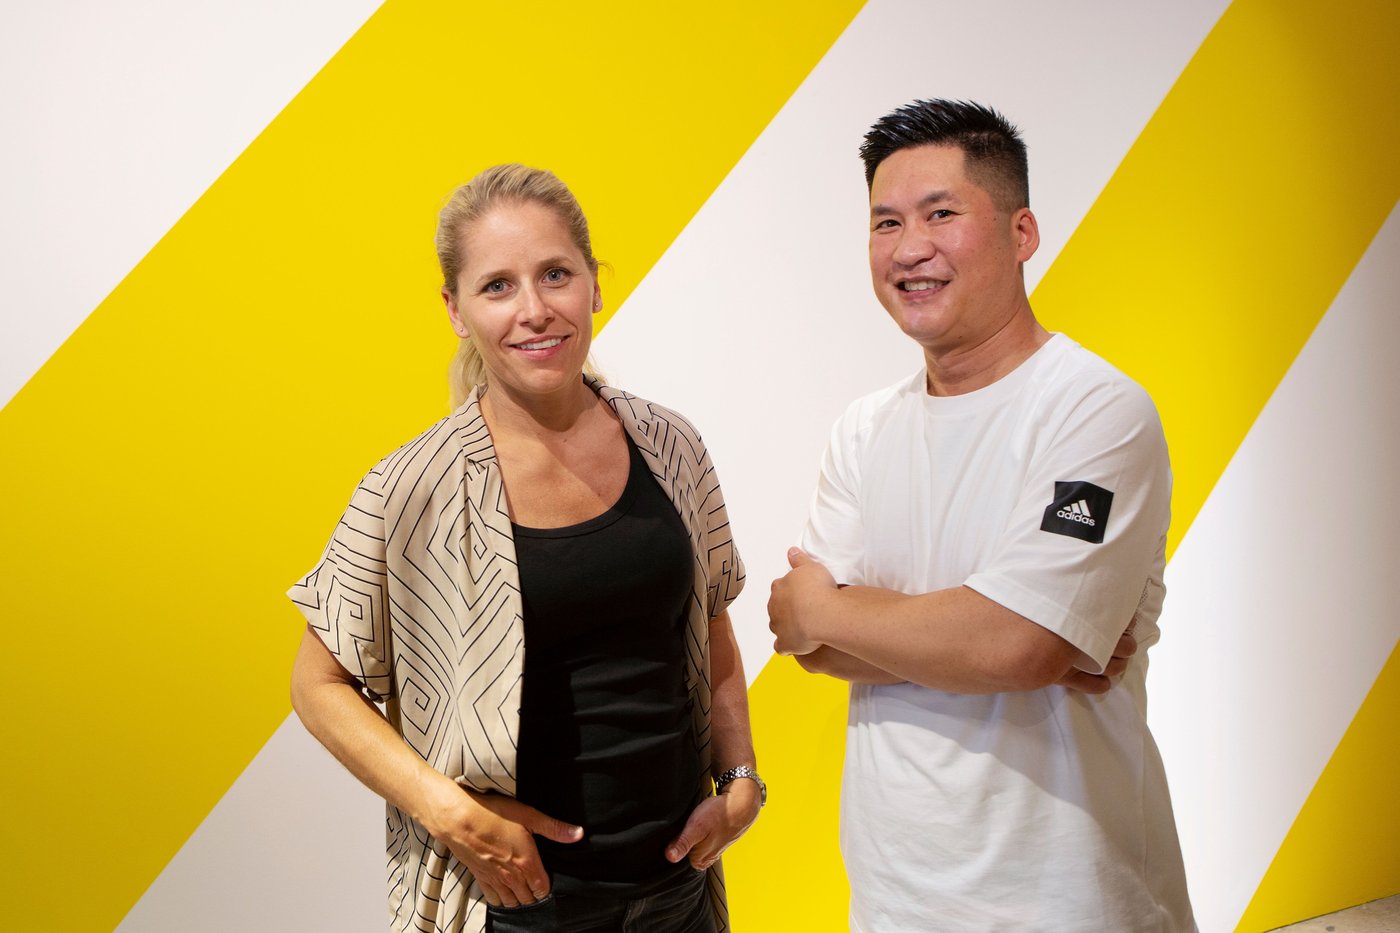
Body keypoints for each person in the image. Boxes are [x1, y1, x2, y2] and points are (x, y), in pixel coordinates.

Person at [289, 164, 763, 933]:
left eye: (555, 274)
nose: (535, 310)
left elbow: (711, 622)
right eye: (498, 286)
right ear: (455, 310)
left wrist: (740, 778)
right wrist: (450, 813)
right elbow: (318, 686)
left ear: (595, 285)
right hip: (515, 906)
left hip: (677, 892)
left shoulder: (670, 444)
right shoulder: (412, 488)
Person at [767, 100, 1195, 931]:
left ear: (1021, 232)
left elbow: (1017, 642)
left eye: (942, 214)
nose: (910, 246)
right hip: (897, 895)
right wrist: (995, 636)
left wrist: (833, 606)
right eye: (886, 221)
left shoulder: (1095, 411)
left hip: (1071, 898)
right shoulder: (864, 428)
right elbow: (809, 647)